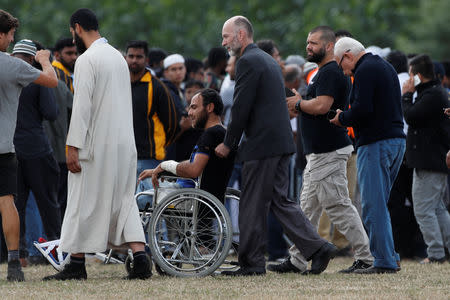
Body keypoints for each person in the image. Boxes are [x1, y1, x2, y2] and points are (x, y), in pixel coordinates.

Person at [215, 16, 335, 276]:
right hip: (279, 142)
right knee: (280, 201)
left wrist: (228, 143)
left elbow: (242, 106)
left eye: (226, 36)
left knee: (252, 203)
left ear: (241, 36)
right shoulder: (267, 59)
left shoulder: (247, 61)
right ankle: (318, 248)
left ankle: (251, 263)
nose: (223, 42)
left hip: (263, 144)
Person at [43, 8, 150, 281]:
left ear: (77, 28)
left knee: (82, 201)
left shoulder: (87, 59)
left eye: (72, 33)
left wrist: (71, 146)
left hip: (96, 144)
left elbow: (82, 108)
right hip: (124, 145)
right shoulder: (117, 57)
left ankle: (76, 265)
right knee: (123, 203)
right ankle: (140, 259)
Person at [272, 26, 372, 274]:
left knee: (338, 206)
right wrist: (299, 103)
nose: (308, 47)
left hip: (329, 150)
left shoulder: (329, 72)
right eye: (307, 42)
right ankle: (296, 259)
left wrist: (300, 103)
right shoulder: (319, 73)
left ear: (329, 46)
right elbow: (312, 106)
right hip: (319, 151)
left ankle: (366, 257)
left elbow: (322, 105)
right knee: (307, 208)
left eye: (314, 43)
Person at [330, 37, 406, 274]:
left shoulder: (364, 70)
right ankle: (390, 255)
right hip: (395, 141)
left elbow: (363, 109)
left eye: (340, 64)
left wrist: (342, 117)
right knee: (380, 203)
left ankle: (383, 261)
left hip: (376, 143)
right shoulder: (384, 66)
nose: (343, 71)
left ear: (348, 56)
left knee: (372, 205)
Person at [0, 9, 58, 281]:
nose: (11, 41)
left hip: (12, 148)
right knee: (9, 203)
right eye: (10, 35)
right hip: (8, 148)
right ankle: (14, 264)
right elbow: (52, 85)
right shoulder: (13, 66)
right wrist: (45, 60)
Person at [11, 40, 62, 265]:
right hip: (37, 149)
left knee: (15, 206)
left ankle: (19, 255)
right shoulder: (36, 78)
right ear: (32, 59)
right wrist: (45, 66)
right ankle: (58, 252)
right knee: (49, 204)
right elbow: (51, 112)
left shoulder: (5, 79)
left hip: (10, 149)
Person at [139, 88, 235, 204]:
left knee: (137, 201)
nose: (189, 113)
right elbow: (196, 164)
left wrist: (165, 165)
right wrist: (160, 170)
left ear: (209, 107)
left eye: (194, 107)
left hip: (188, 196)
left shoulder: (210, 134)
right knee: (145, 178)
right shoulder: (224, 134)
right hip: (200, 197)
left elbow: (194, 170)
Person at [402, 54, 450, 264]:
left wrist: (406, 95)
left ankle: (436, 253)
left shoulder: (431, 95)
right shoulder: (433, 93)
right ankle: (442, 250)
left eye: (411, 74)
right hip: (432, 160)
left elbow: (410, 116)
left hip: (428, 162)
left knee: (423, 209)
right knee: (437, 207)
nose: (409, 79)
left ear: (419, 76)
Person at [125, 40, 180, 205]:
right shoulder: (118, 83)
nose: (134, 60)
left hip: (150, 159)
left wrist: (159, 145)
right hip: (124, 157)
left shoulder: (157, 87)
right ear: (125, 58)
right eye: (131, 56)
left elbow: (172, 123)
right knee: (128, 207)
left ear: (146, 60)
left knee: (151, 206)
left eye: (139, 57)